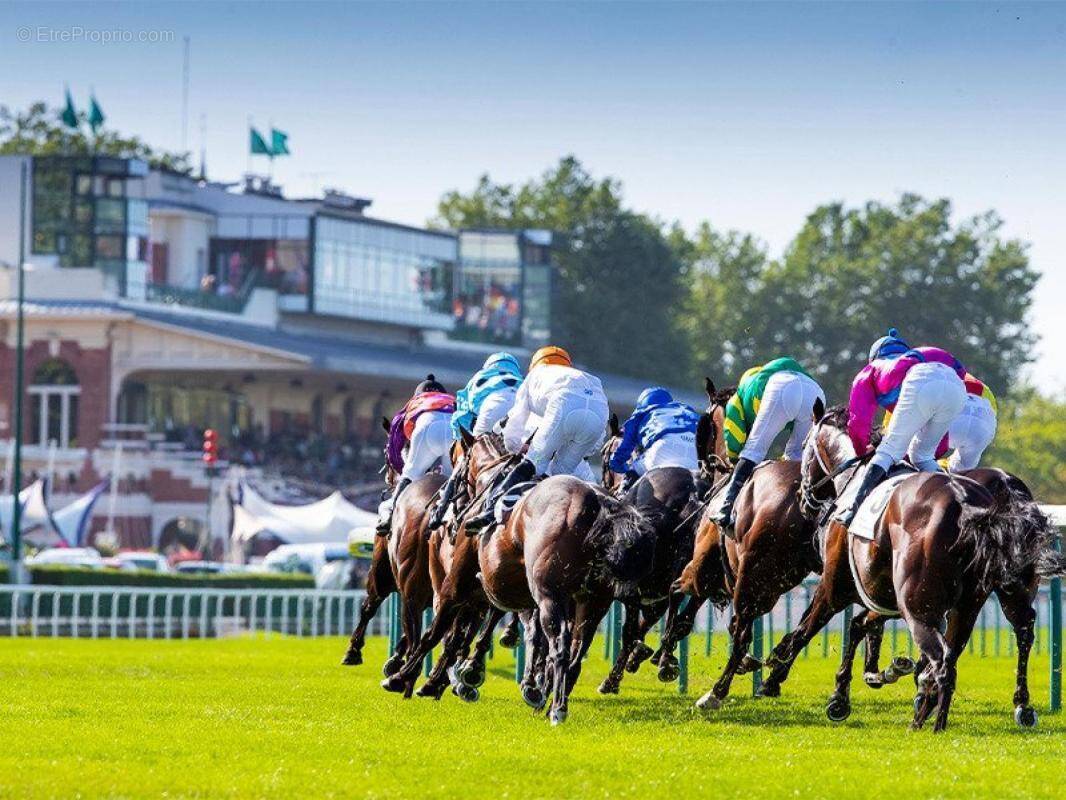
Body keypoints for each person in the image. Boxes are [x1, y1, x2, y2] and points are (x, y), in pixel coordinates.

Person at [465, 346, 609, 532]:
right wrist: (576, 447)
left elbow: (515, 426)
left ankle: (490, 512)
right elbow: (595, 445)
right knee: (560, 472)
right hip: (598, 413)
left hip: (564, 406)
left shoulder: (533, 378)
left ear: (534, 366)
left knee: (533, 464)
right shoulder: (582, 377)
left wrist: (517, 448)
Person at [834, 328, 968, 526]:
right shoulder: (913, 359)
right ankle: (959, 502)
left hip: (923, 380)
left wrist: (863, 453)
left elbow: (858, 423)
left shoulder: (870, 370)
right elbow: (940, 447)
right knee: (922, 456)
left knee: (888, 449)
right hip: (957, 387)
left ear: (874, 357)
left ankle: (852, 509)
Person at [713, 357, 825, 531]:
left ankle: (725, 508)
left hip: (783, 386)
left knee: (753, 451)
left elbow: (733, 438)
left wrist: (736, 462)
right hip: (816, 391)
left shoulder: (738, 397)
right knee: (797, 457)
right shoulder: (758, 385)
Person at [428, 353, 524, 529]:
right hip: (519, 416)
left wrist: (463, 439)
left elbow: (462, 415)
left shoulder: (480, 378)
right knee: (519, 462)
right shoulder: (521, 380)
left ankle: (440, 509)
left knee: (468, 458)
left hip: (491, 411)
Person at [377, 375, 455, 536]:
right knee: (451, 479)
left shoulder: (414, 403)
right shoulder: (452, 401)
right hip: (455, 431)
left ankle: (390, 513)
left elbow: (394, 444)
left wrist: (402, 468)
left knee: (410, 473)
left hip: (427, 429)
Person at [608, 386, 700, 489]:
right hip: (697, 455)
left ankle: (622, 497)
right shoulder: (687, 410)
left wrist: (621, 467)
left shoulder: (641, 414)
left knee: (631, 473)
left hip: (665, 448)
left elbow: (623, 452)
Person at [944, 373, 998, 471]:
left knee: (920, 454)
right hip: (983, 427)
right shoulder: (981, 385)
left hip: (953, 420)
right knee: (961, 470)